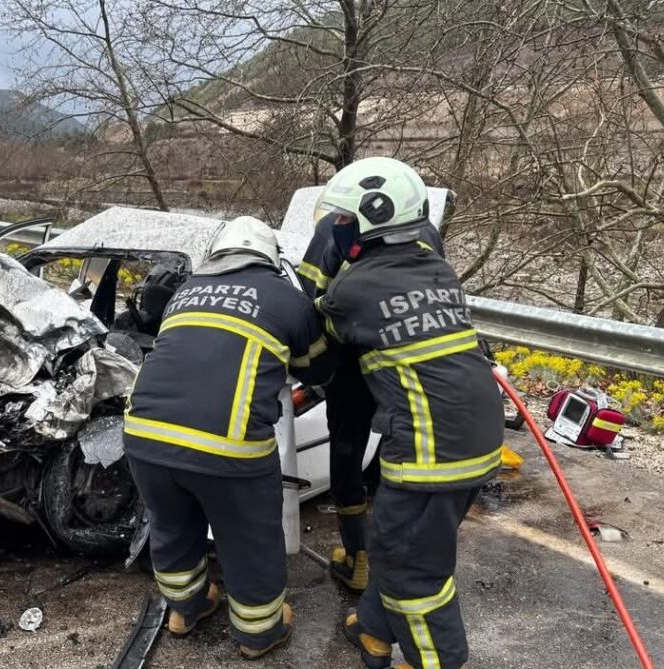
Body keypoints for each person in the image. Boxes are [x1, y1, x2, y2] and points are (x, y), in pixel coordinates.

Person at [315, 157, 503, 669]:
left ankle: (439, 658)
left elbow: (316, 353)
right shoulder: (438, 267)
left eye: (343, 220)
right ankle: (375, 631)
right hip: (479, 435)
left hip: (430, 450)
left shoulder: (351, 291)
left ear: (371, 220)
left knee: (406, 561)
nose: (336, 229)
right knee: (406, 543)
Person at [123, 216, 333, 659]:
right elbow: (318, 371)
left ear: (216, 255)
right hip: (228, 446)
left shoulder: (184, 293)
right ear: (269, 257)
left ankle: (185, 609)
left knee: (173, 523)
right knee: (249, 536)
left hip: (144, 435)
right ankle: (259, 632)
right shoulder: (287, 298)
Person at [297, 182, 447, 594]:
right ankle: (399, 550)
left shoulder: (330, 227)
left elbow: (310, 298)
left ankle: (358, 555)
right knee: (405, 442)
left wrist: (310, 366)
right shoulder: (425, 229)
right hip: (410, 358)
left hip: (352, 359)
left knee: (346, 447)